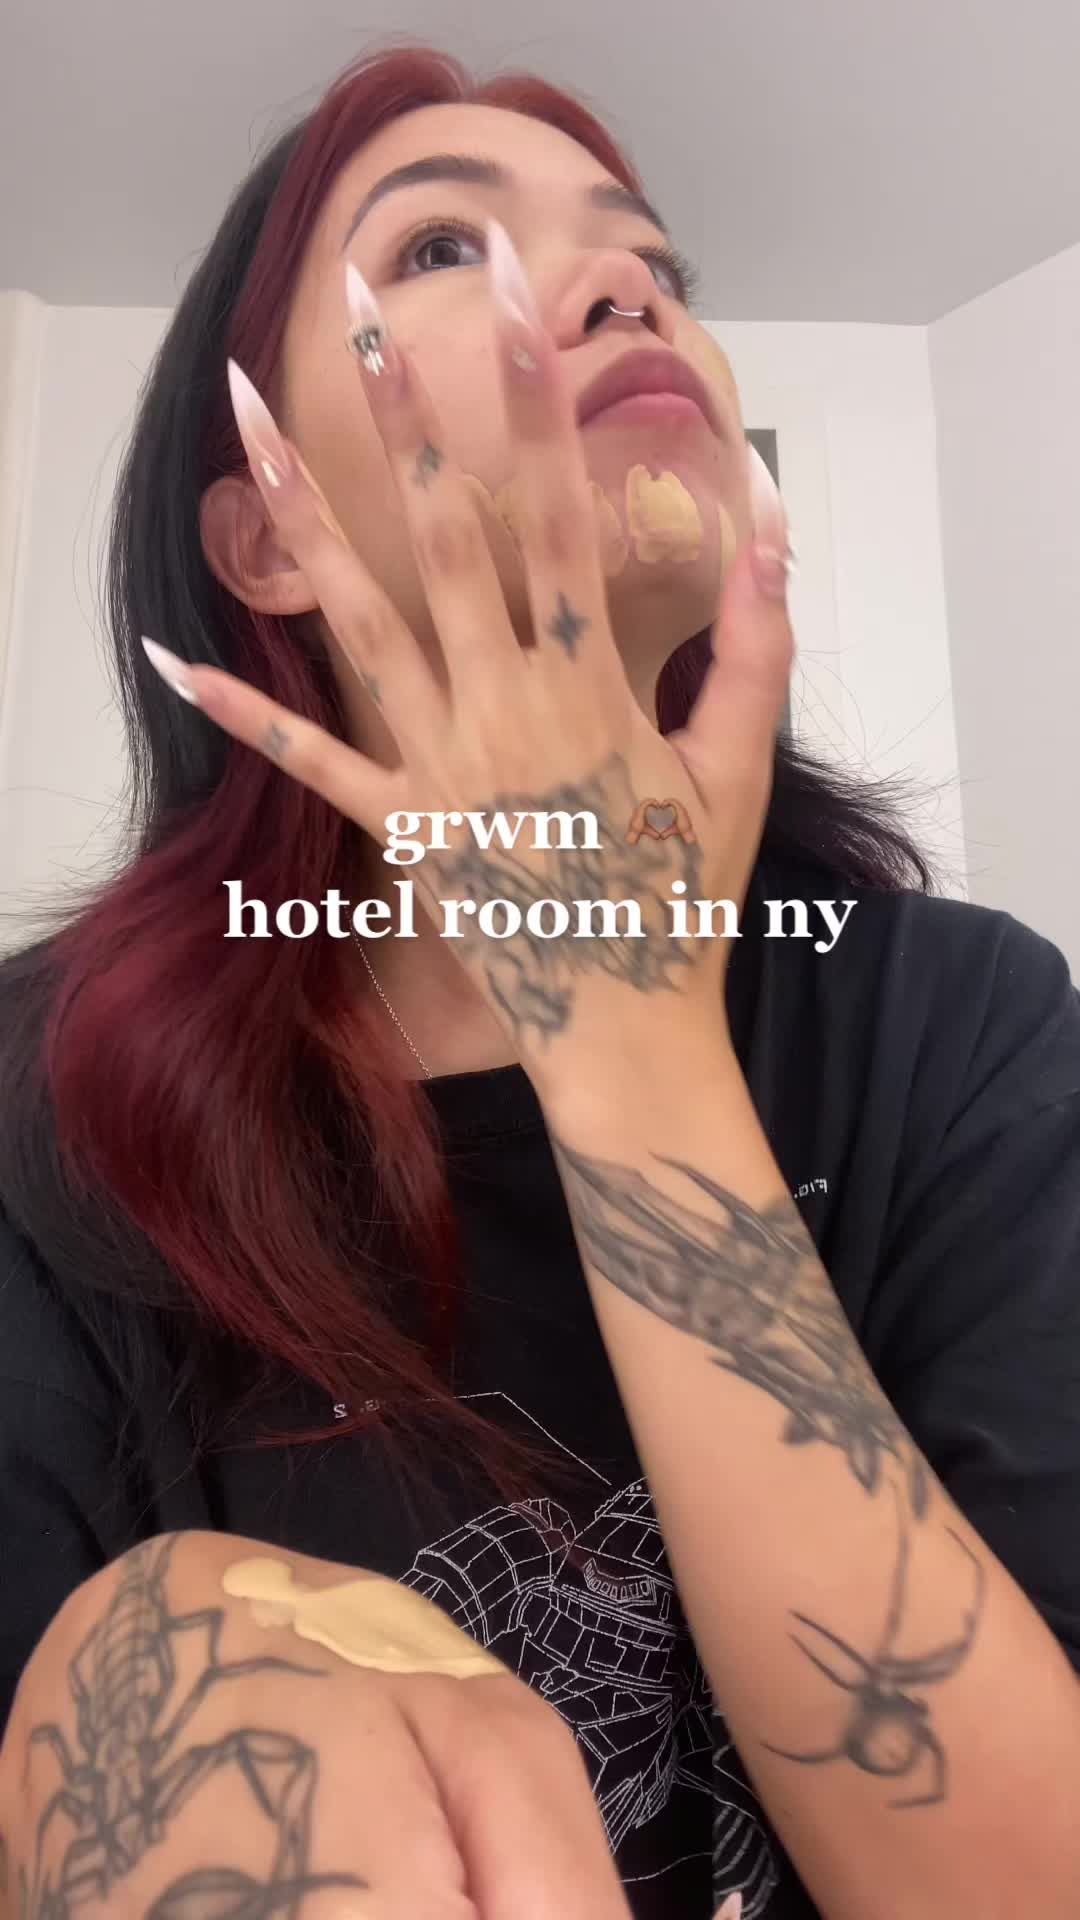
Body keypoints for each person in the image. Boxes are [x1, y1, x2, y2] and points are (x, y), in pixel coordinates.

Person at [1, 38, 1079, 1920]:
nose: (621, 288)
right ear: (262, 531)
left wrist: (625, 1028)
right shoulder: (40, 1104)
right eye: (440, 246)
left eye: (655, 265)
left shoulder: (956, 1024)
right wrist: (121, 1654)